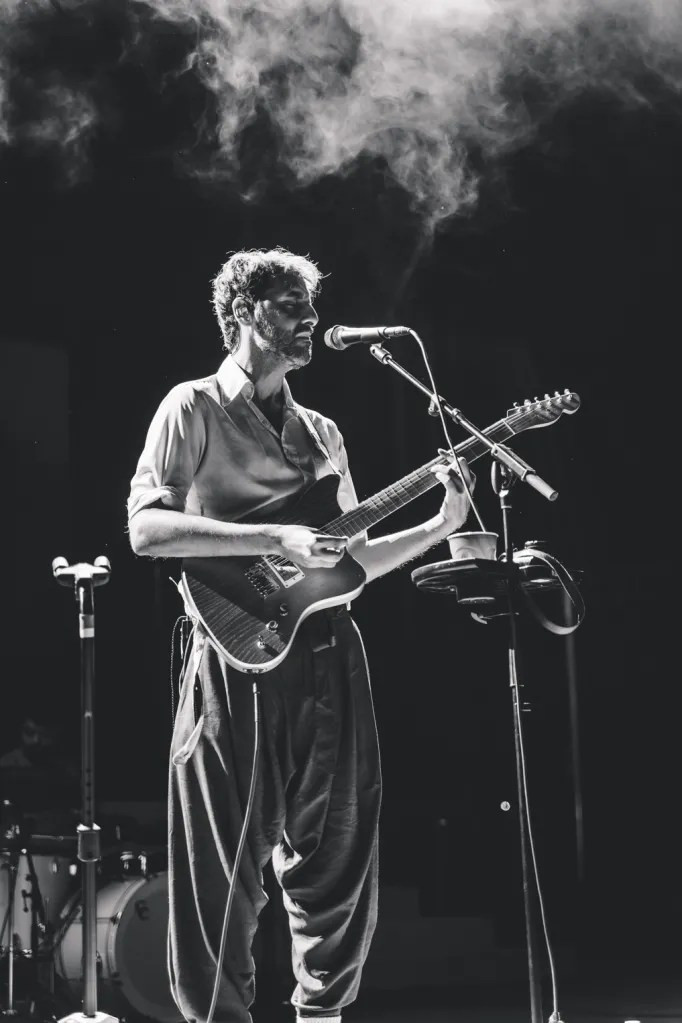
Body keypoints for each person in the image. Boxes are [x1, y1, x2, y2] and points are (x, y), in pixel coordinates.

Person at [126, 247, 474, 1023]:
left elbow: (348, 562)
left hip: (330, 655)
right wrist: (271, 539)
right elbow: (146, 529)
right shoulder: (192, 407)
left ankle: (324, 1015)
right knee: (223, 865)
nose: (309, 320)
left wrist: (437, 525)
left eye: (309, 305)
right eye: (290, 305)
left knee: (340, 856)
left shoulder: (322, 431)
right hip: (234, 657)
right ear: (243, 314)